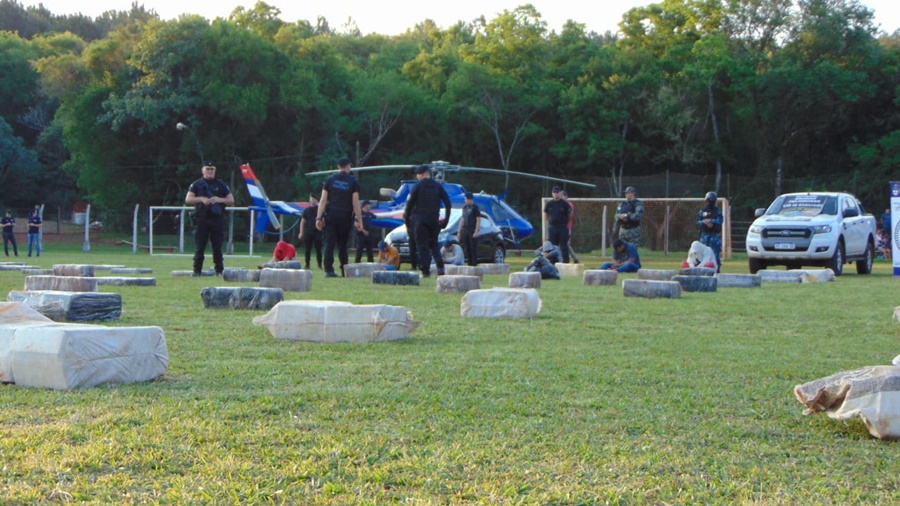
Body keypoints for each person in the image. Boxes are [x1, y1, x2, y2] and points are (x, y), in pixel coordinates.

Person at [316, 157, 363, 278]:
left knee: (329, 242)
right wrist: (359, 220)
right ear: (348, 166)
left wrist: (318, 218)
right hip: (345, 216)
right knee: (343, 244)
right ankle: (344, 269)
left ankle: (329, 270)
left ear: (338, 167)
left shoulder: (330, 180)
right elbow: (355, 203)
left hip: (331, 215)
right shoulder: (353, 181)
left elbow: (323, 200)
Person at [185, 162, 234, 276]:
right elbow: (188, 199)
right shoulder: (197, 184)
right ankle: (197, 271)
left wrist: (218, 200)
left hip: (217, 219)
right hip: (202, 219)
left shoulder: (221, 184)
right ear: (203, 170)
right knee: (200, 246)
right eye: (208, 169)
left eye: (212, 169)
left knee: (217, 247)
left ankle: (219, 271)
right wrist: (201, 199)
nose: (210, 171)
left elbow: (231, 200)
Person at [404, 164, 451, 278]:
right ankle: (440, 267)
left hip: (420, 221)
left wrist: (407, 222)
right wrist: (446, 220)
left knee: (422, 246)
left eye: (418, 174)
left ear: (421, 175)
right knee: (434, 244)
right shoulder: (438, 186)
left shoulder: (417, 186)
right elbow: (448, 203)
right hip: (434, 220)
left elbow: (409, 205)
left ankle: (425, 270)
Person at [697, 191, 724, 271]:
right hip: (704, 235)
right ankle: (702, 269)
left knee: (715, 253)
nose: (711, 200)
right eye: (709, 199)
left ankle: (717, 269)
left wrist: (712, 221)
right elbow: (698, 222)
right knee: (703, 253)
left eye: (712, 199)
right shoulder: (702, 211)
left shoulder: (718, 211)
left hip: (715, 235)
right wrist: (705, 222)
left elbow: (720, 220)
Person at [543, 186, 571, 263]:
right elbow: (546, 214)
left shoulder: (564, 203)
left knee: (563, 245)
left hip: (562, 227)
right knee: (552, 245)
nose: (556, 194)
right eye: (554, 192)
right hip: (552, 227)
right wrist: (550, 222)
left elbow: (569, 215)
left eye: (557, 192)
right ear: (552, 193)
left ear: (560, 193)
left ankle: (565, 261)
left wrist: (565, 223)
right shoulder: (549, 204)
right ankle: (553, 261)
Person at [298, 195, 323, 269]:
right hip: (308, 232)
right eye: (312, 199)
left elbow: (323, 220)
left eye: (315, 199)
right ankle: (307, 264)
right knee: (307, 249)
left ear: (317, 200)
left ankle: (319, 264)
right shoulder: (306, 210)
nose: (313, 200)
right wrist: (301, 232)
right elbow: (302, 222)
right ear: (309, 200)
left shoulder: (320, 209)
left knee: (318, 249)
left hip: (318, 232)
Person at [458, 192, 481, 266]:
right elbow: (462, 219)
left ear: (470, 199)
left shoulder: (475, 208)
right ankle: (469, 263)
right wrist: (459, 231)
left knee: (472, 248)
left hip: (472, 229)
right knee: (467, 248)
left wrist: (476, 231)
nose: (465, 201)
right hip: (465, 229)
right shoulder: (464, 208)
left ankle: (474, 264)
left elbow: (478, 219)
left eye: (466, 199)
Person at [561, 190, 580, 263]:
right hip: (560, 228)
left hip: (566, 227)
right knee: (562, 244)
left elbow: (570, 215)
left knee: (565, 243)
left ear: (566, 196)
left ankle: (575, 258)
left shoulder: (569, 204)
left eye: (562, 196)